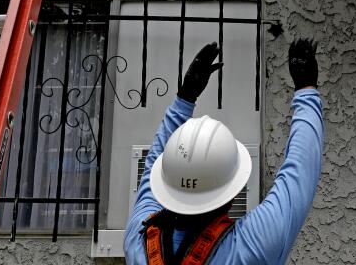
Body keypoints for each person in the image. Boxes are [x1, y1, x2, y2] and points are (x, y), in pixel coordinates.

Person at [125, 39, 323, 264]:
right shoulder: (249, 246)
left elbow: (153, 170)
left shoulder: (138, 238)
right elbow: (300, 172)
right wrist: (306, 88)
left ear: (167, 187)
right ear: (233, 194)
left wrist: (184, 98)